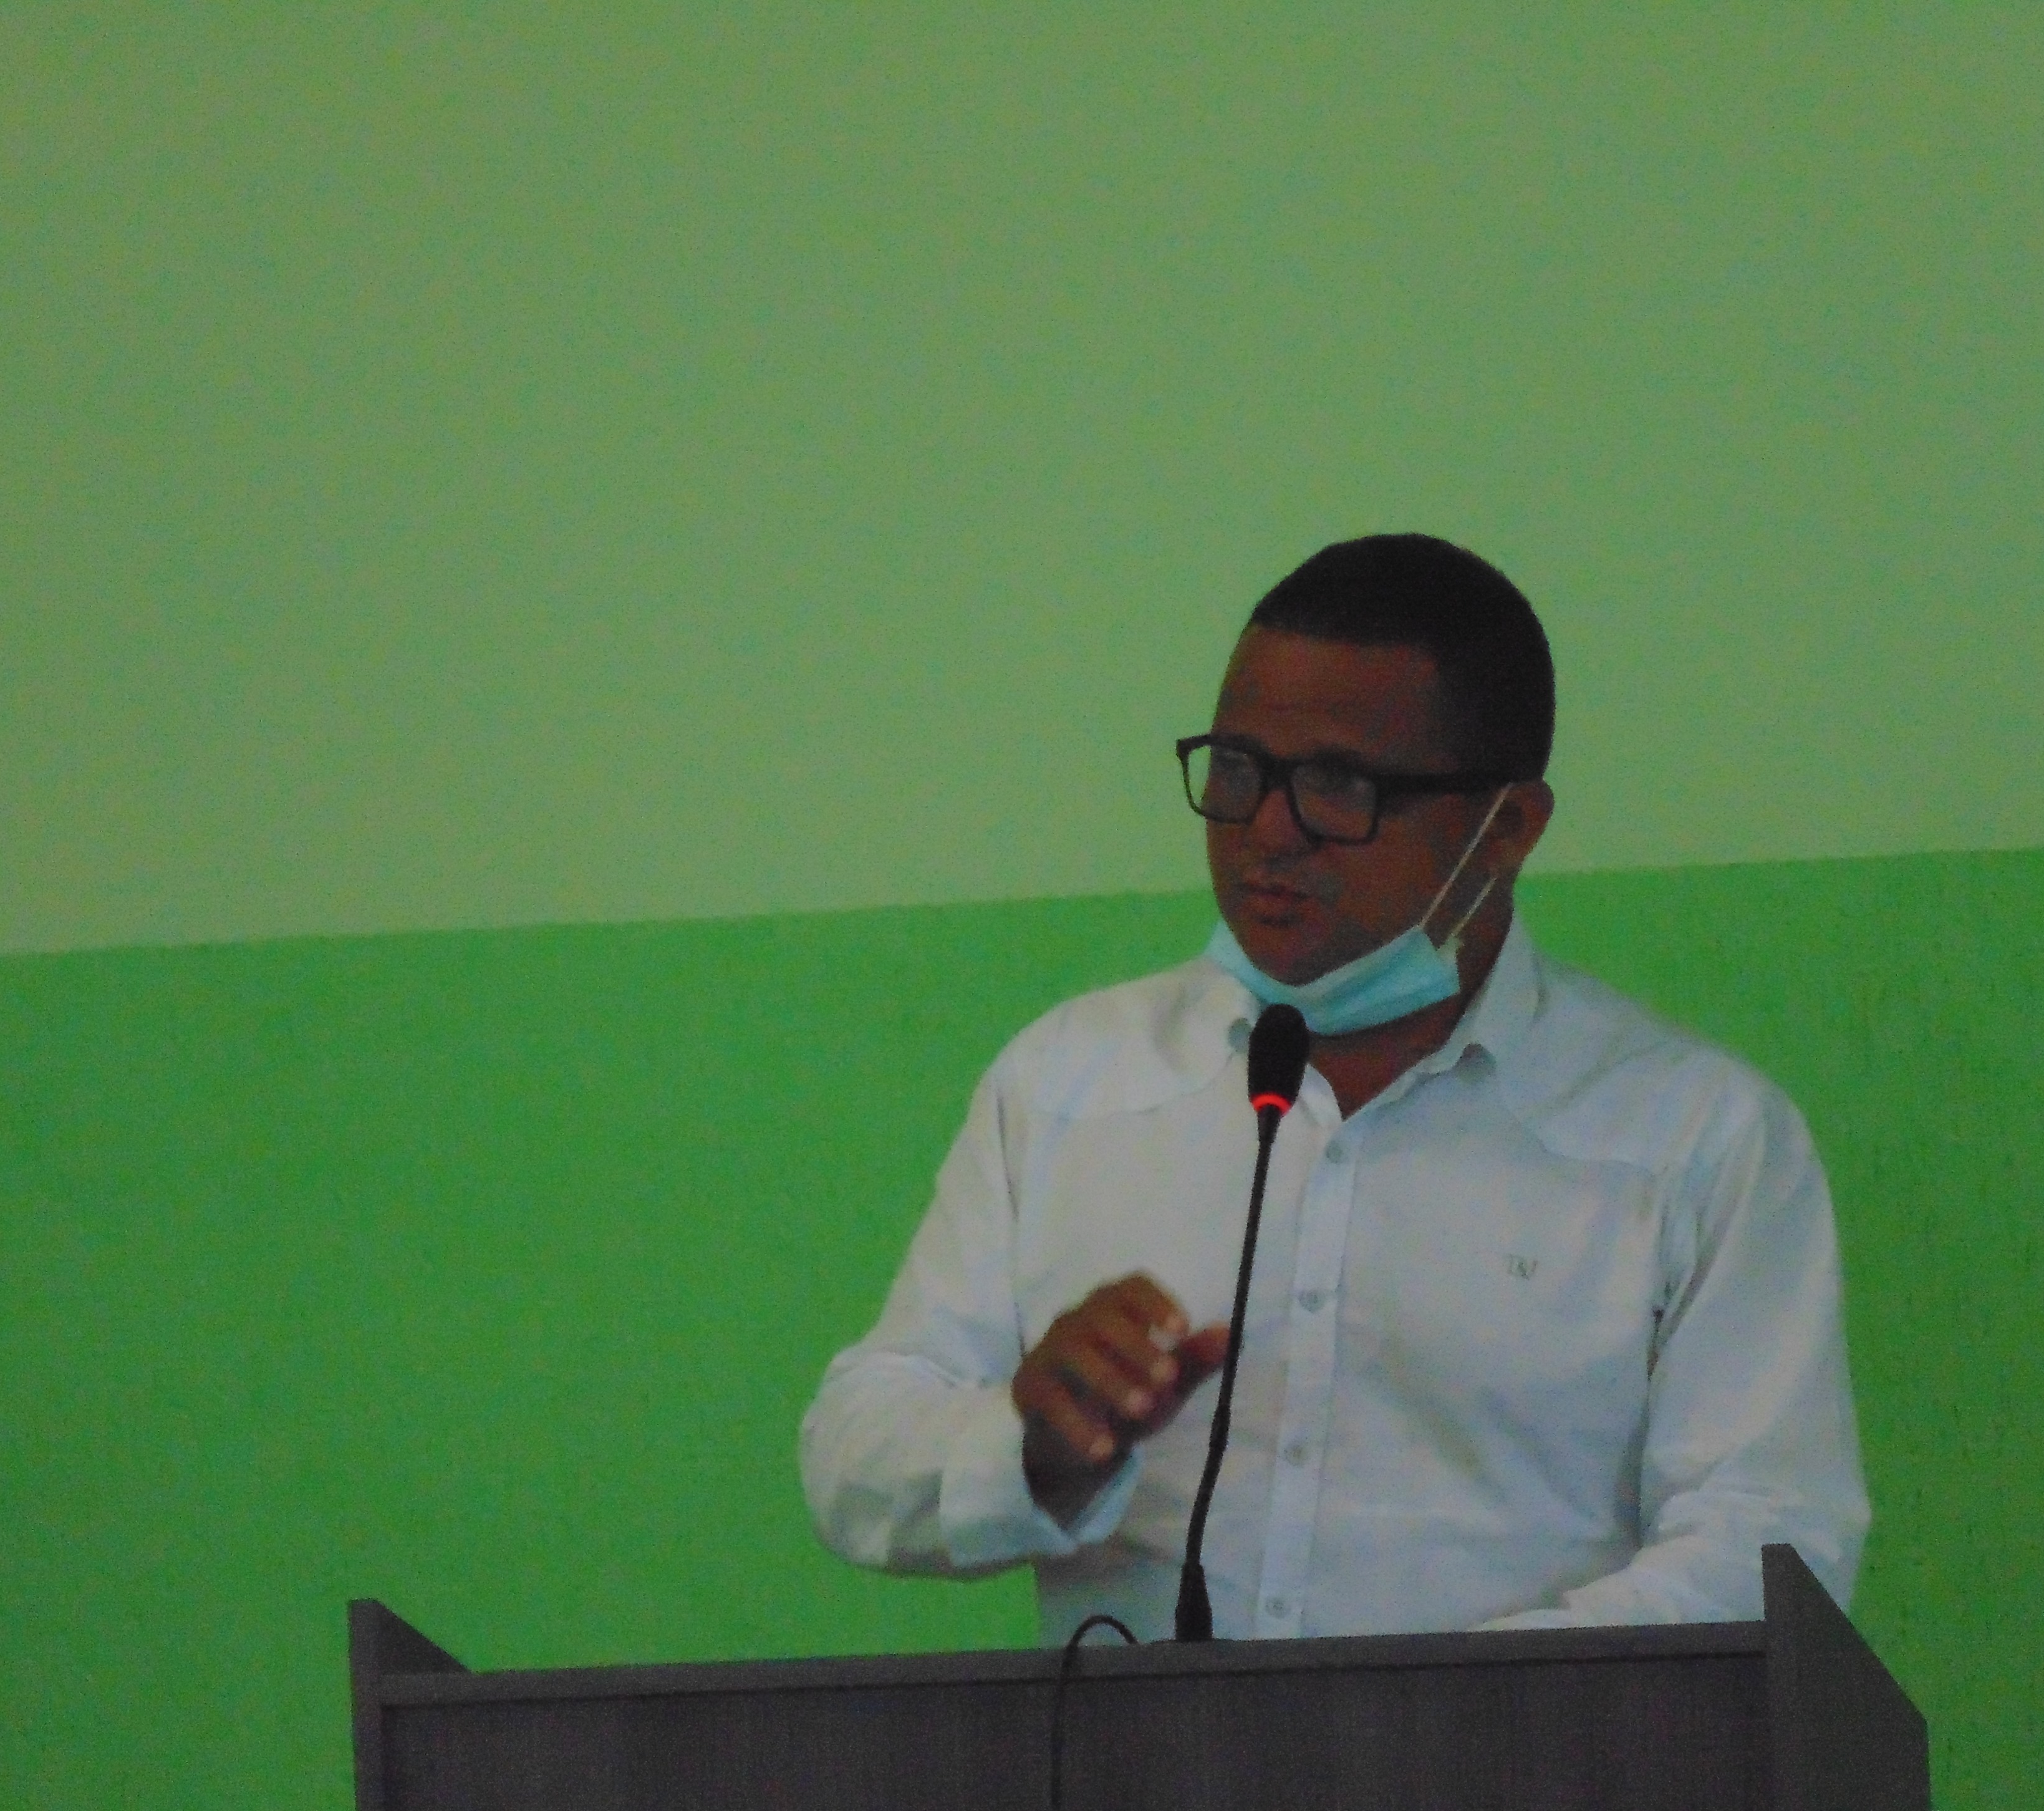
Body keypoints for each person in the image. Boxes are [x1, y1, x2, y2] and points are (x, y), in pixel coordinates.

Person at [799, 533, 1868, 1644]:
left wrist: (1429, 1712)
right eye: (1239, 770)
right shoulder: (1072, 1083)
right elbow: (852, 1455)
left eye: (1338, 786)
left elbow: (1771, 1542)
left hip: (1523, 1746)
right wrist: (1029, 1448)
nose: (1267, 832)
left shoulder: (1694, 1138)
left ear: (1506, 827)